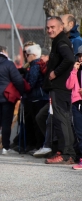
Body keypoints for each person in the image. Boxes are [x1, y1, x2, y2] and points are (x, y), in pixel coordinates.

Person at [42, 16, 76, 164]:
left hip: (60, 87)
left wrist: (55, 73)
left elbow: (69, 59)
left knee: (61, 119)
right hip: (59, 87)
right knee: (62, 119)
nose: (50, 30)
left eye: (53, 27)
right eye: (48, 27)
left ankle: (66, 153)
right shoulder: (59, 41)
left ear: (61, 27)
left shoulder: (61, 41)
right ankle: (65, 151)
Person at [0, 46, 24, 154]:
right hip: (7, 97)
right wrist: (22, 92)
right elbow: (17, 80)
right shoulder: (8, 64)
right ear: (3, 52)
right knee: (6, 122)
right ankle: (5, 147)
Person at [22, 44, 49, 155]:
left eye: (27, 55)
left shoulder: (34, 66)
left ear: (33, 55)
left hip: (37, 98)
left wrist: (23, 82)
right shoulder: (38, 64)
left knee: (36, 123)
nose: (26, 57)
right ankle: (39, 145)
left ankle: (39, 145)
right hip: (41, 97)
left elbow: (30, 84)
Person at [66, 46, 82, 169]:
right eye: (80, 56)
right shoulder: (76, 71)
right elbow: (69, 85)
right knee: (79, 131)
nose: (81, 58)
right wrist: (74, 70)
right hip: (76, 102)